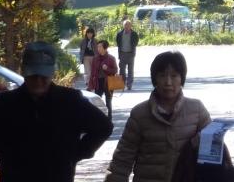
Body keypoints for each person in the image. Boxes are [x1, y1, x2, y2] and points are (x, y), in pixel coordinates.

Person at [0, 40, 112, 182]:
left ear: (51, 74)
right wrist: (2, 152)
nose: (38, 81)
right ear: (24, 73)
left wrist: (75, 153)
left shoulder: (70, 100)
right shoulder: (6, 102)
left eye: (43, 76)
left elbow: (103, 126)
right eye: (33, 76)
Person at [103, 50, 210, 182]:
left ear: (182, 78)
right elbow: (122, 160)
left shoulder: (197, 110)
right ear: (155, 79)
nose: (168, 82)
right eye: (162, 75)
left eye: (174, 76)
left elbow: (214, 154)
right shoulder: (139, 114)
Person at [89, 39, 119, 117]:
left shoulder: (111, 58)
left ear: (105, 48)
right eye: (97, 47)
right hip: (98, 82)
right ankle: (98, 120)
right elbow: (92, 73)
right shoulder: (95, 58)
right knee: (97, 103)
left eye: (100, 47)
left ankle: (109, 120)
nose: (98, 48)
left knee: (108, 102)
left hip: (108, 82)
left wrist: (107, 68)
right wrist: (90, 85)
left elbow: (115, 70)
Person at [116, 19, 140, 90]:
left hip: (130, 54)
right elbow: (118, 43)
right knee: (122, 70)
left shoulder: (134, 34)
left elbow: (136, 42)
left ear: (130, 26)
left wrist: (132, 49)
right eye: (125, 25)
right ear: (123, 26)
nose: (127, 27)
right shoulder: (119, 34)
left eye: (128, 25)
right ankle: (122, 84)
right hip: (122, 53)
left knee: (130, 70)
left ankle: (129, 85)